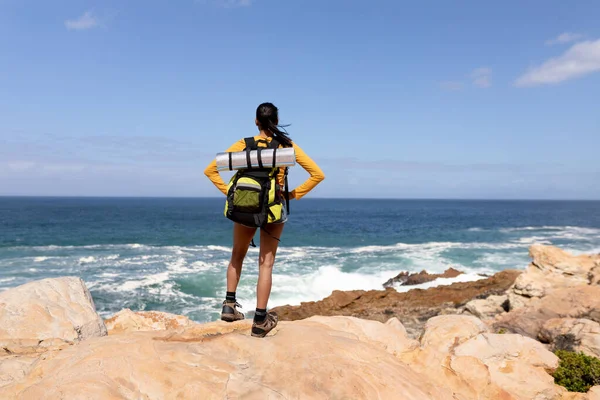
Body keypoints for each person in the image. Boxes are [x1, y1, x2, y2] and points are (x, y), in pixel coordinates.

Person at [204, 102, 325, 337]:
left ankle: (229, 305)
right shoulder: (287, 146)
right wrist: (291, 194)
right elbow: (317, 175)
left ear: (256, 121)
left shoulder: (243, 144)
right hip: (273, 208)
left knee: (237, 254)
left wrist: (232, 195)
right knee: (265, 264)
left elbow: (210, 170)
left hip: (245, 206)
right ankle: (260, 320)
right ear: (276, 121)